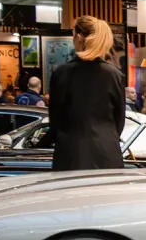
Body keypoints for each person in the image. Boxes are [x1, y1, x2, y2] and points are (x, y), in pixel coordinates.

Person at [47, 15, 125, 172]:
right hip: (108, 153)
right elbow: (119, 120)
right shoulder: (114, 75)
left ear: (78, 37)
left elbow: (55, 121)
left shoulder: (61, 73)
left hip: (71, 154)